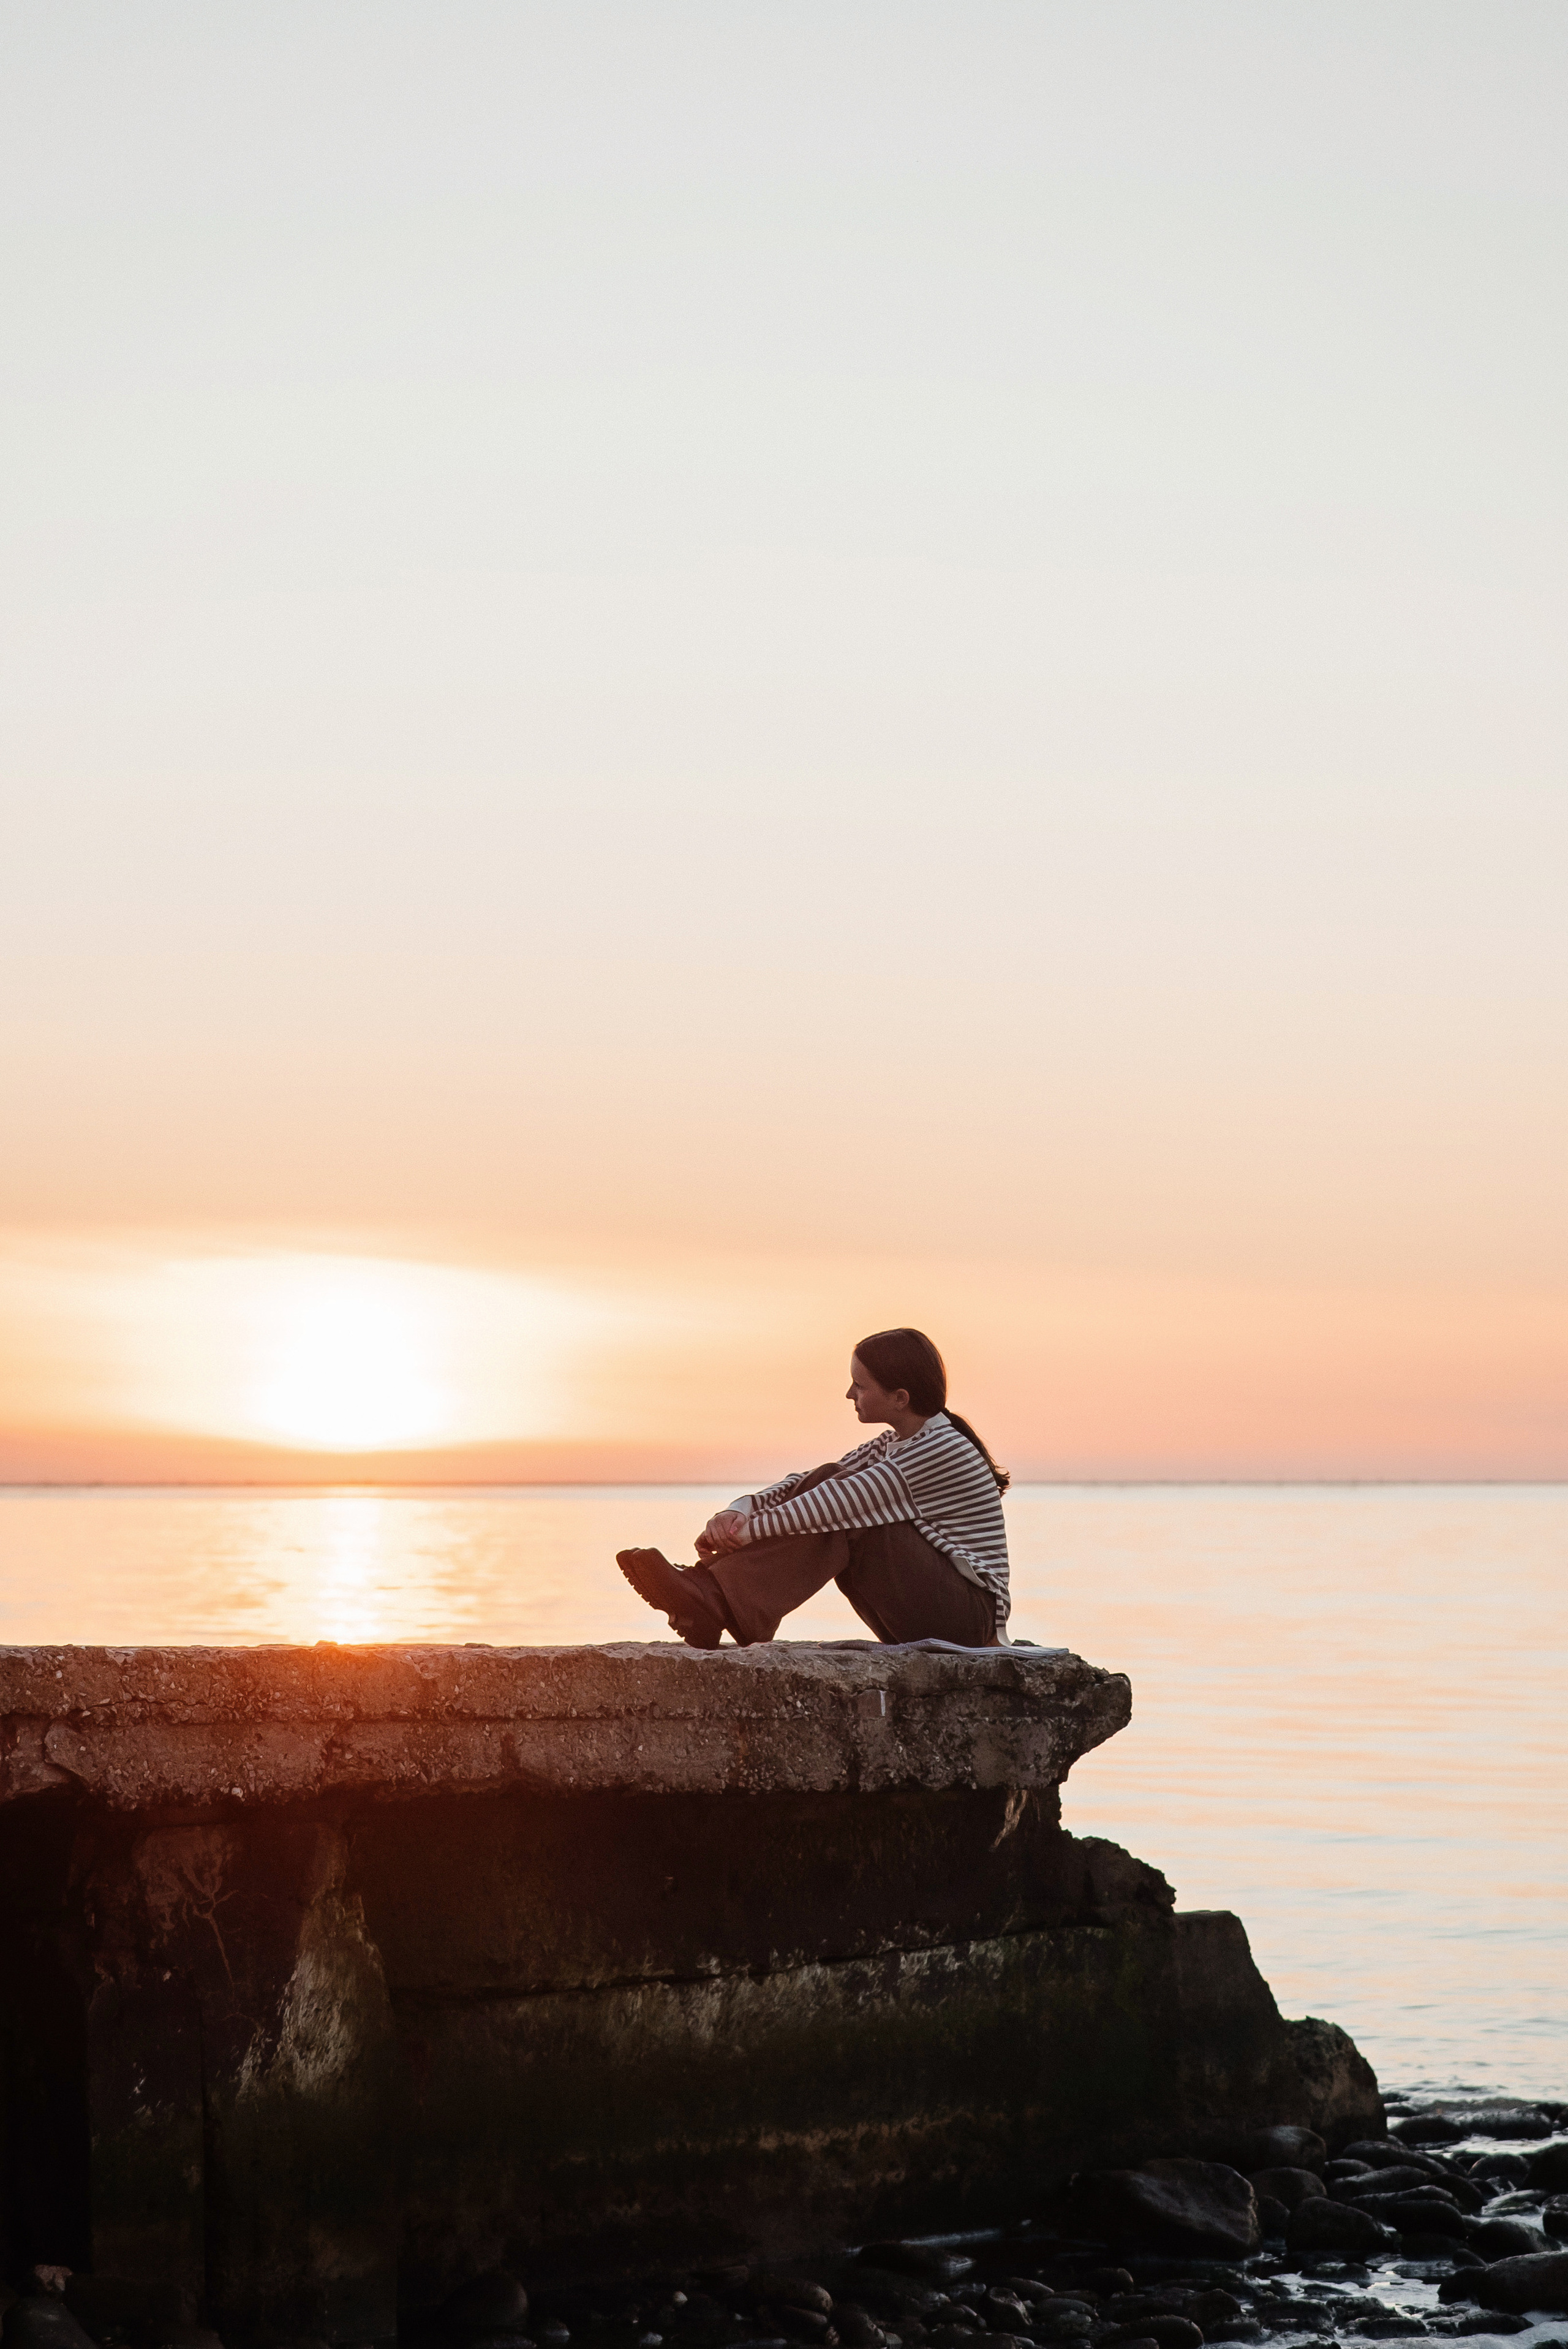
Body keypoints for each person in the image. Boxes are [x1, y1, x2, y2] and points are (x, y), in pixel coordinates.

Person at [616, 1326, 1011, 1649]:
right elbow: (808, 1484)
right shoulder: (892, 1444)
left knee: (852, 1515)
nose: (850, 1394)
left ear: (899, 1398)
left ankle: (713, 1598)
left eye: (860, 1385)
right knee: (831, 1480)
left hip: (968, 1623)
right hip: (930, 1614)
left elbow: (837, 1504)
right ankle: (712, 1597)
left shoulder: (942, 1448)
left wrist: (742, 1536)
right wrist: (738, 1510)